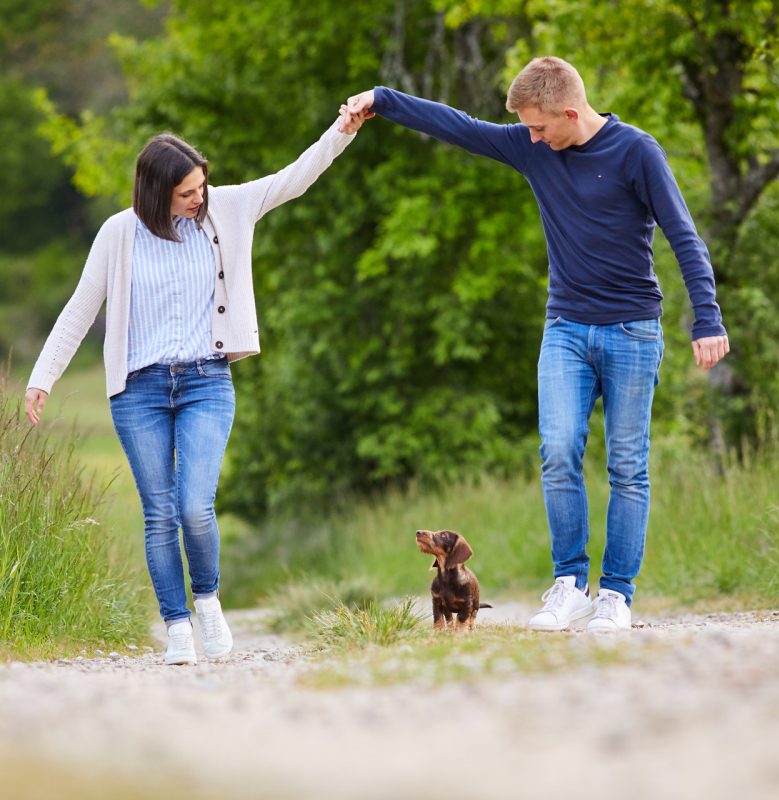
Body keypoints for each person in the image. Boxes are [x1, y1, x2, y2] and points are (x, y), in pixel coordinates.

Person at [344, 56, 729, 633]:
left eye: (540, 126)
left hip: (632, 330)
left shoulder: (637, 153)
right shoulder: (533, 146)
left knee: (627, 467)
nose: (532, 137)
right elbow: (460, 126)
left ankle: (616, 596)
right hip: (566, 328)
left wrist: (708, 318)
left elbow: (684, 235)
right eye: (527, 128)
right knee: (556, 451)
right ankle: (569, 584)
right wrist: (382, 98)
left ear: (571, 112)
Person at [25, 108, 366, 664]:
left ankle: (207, 600)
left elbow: (294, 177)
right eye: (186, 192)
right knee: (158, 512)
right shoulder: (119, 234)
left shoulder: (226, 209)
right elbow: (80, 309)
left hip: (207, 380)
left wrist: (342, 132)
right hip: (138, 391)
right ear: (156, 192)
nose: (198, 199)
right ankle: (176, 625)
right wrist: (43, 378)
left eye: (201, 186)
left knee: (194, 507)